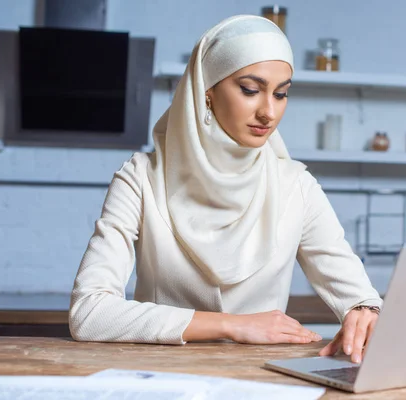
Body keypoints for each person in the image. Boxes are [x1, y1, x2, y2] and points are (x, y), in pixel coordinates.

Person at [69, 15, 382, 365]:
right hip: (160, 376)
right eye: (251, 90)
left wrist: (363, 310)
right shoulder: (141, 178)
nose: (269, 112)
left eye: (281, 94)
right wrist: (232, 326)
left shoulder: (296, 185)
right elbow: (89, 312)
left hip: (263, 379)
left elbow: (357, 293)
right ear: (207, 91)